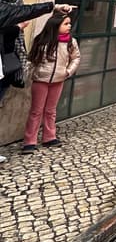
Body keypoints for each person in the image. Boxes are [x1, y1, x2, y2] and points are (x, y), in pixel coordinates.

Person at [22, 8, 81, 151]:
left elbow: (76, 58)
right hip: (41, 79)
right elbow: (32, 59)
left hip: (59, 79)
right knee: (36, 111)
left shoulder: (70, 42)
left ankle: (49, 137)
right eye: (66, 24)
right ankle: (30, 140)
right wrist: (30, 74)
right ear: (56, 26)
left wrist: (67, 72)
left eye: (69, 24)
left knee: (51, 110)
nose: (69, 26)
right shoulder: (41, 40)